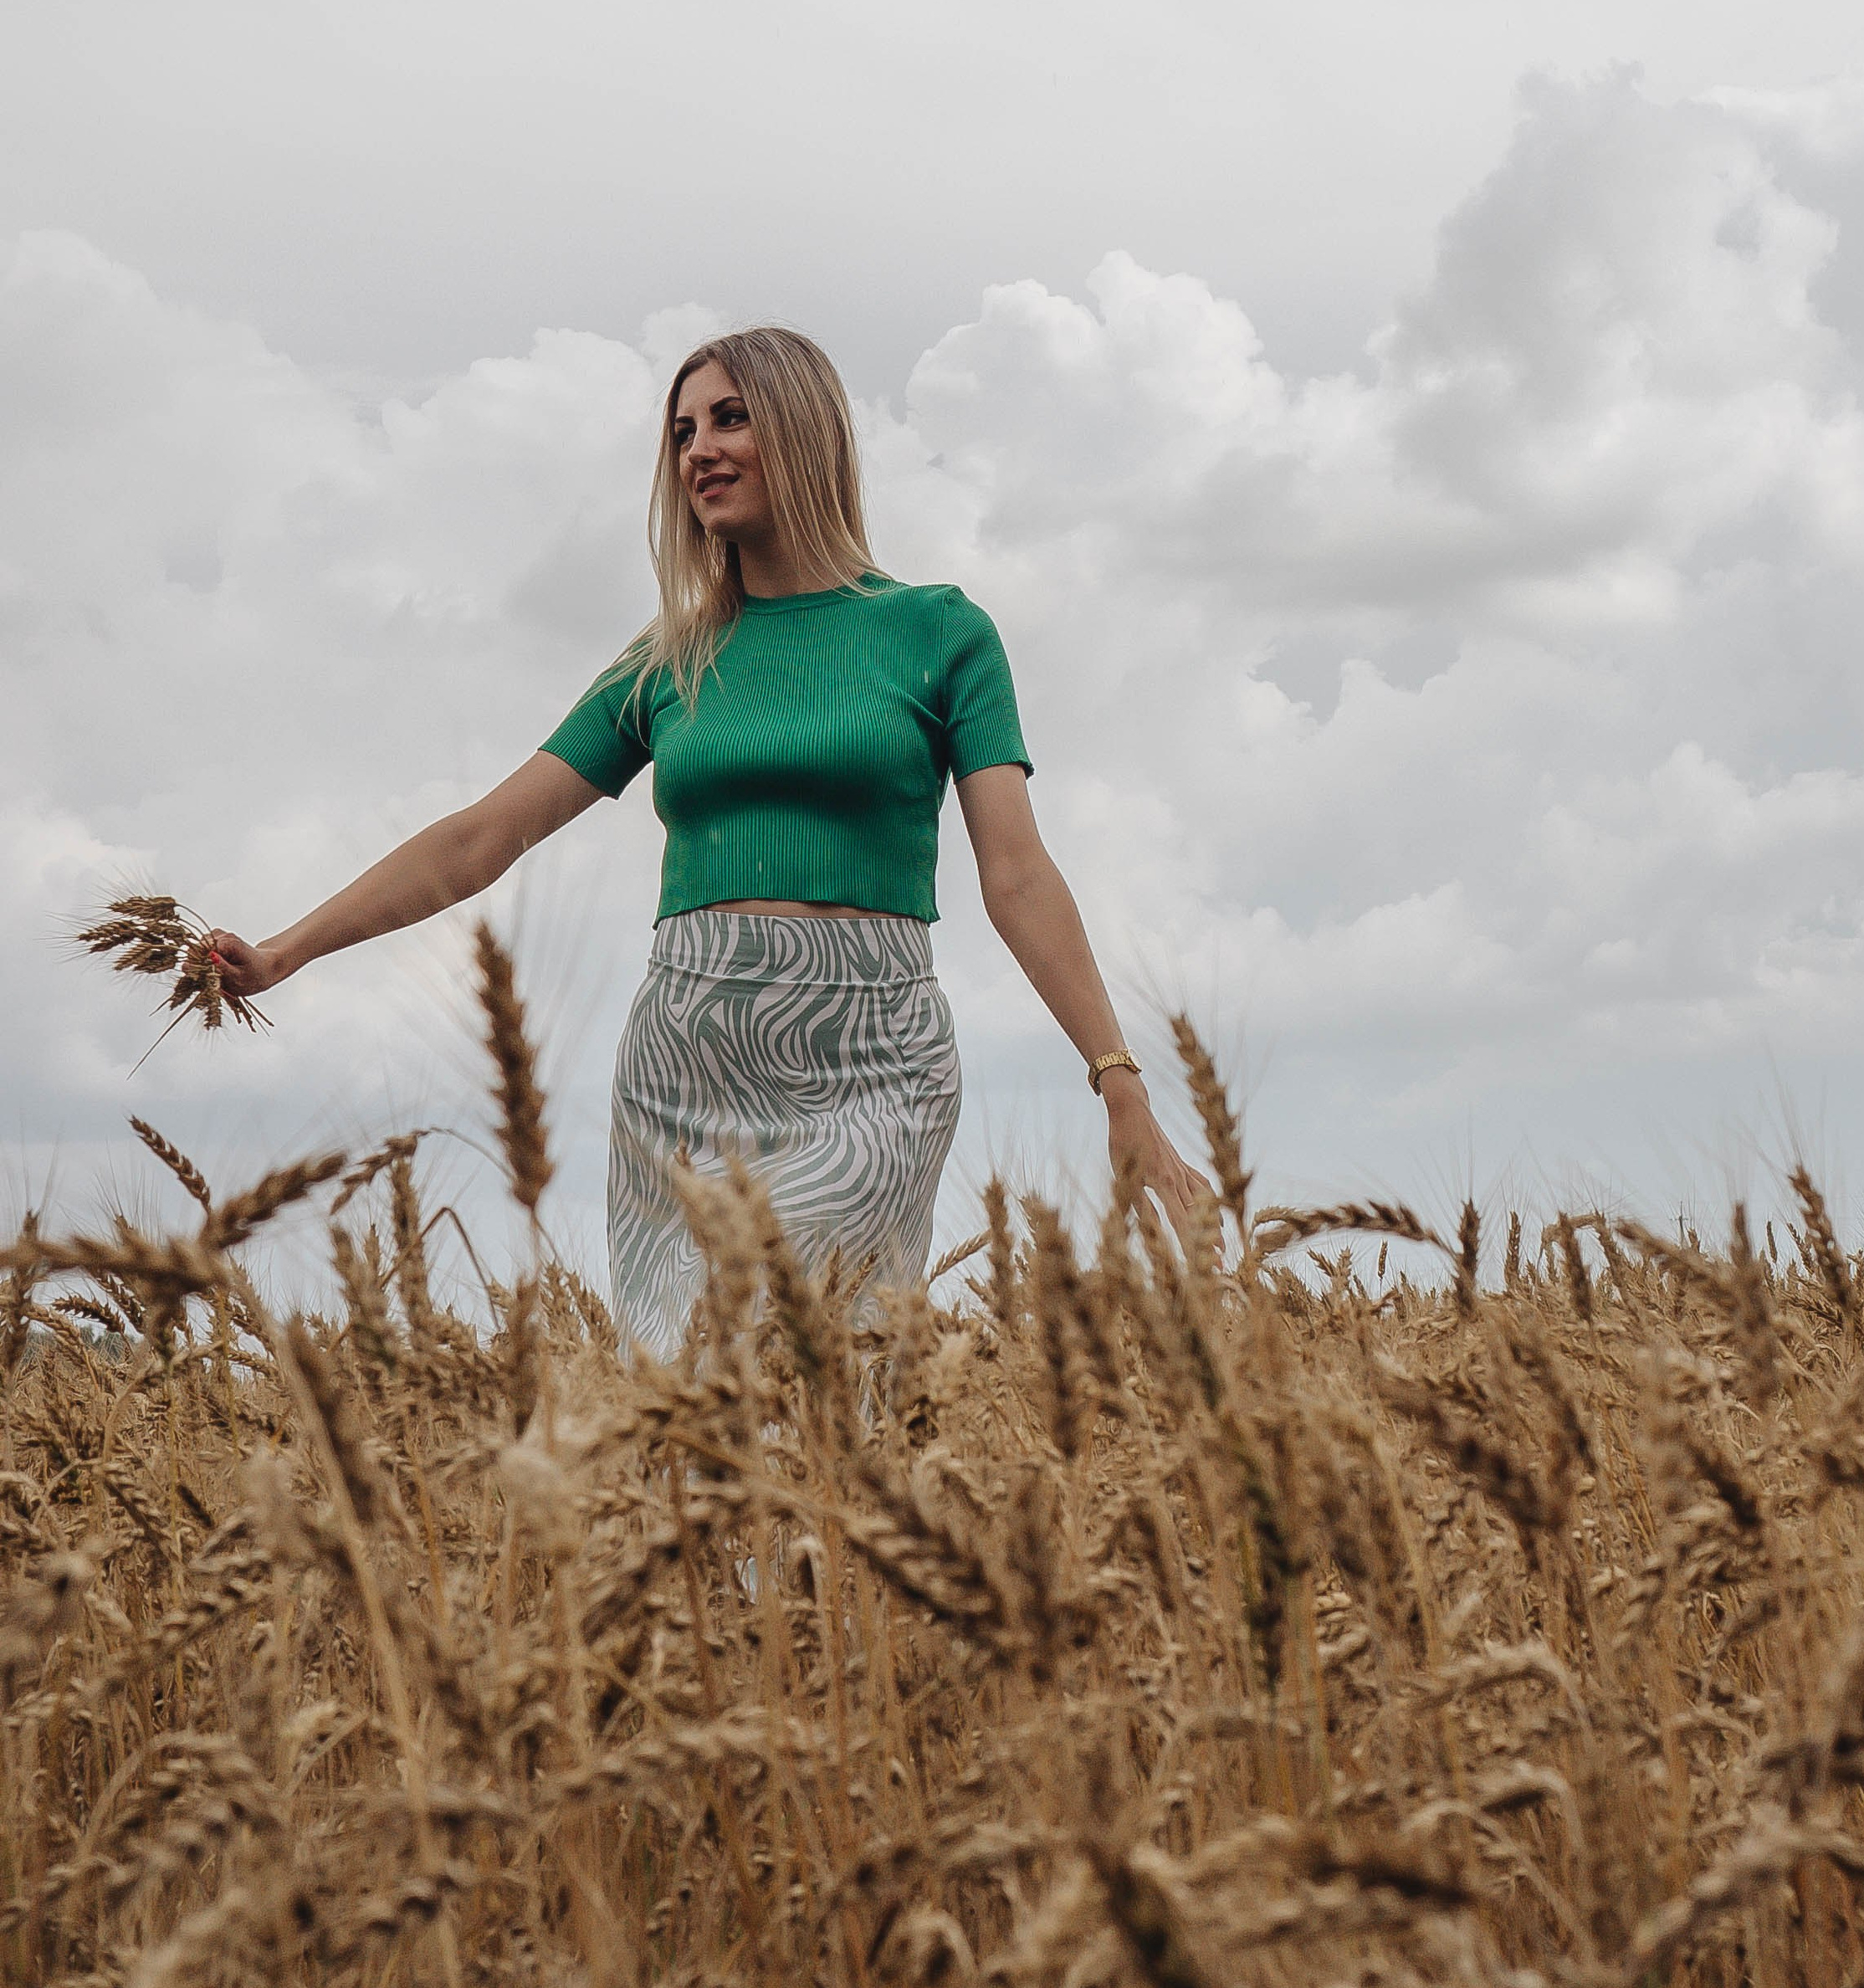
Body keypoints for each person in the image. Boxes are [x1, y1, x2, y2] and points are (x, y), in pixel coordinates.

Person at [209, 325, 1211, 1351]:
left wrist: (1117, 1081)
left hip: (876, 1054)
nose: (698, 450)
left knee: (816, 1365)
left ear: (807, 430)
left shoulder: (940, 633)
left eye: (730, 417)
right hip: (684, 1063)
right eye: (682, 430)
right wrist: (288, 950)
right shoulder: (668, 659)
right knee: (694, 1400)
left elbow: (1018, 873)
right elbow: (479, 839)